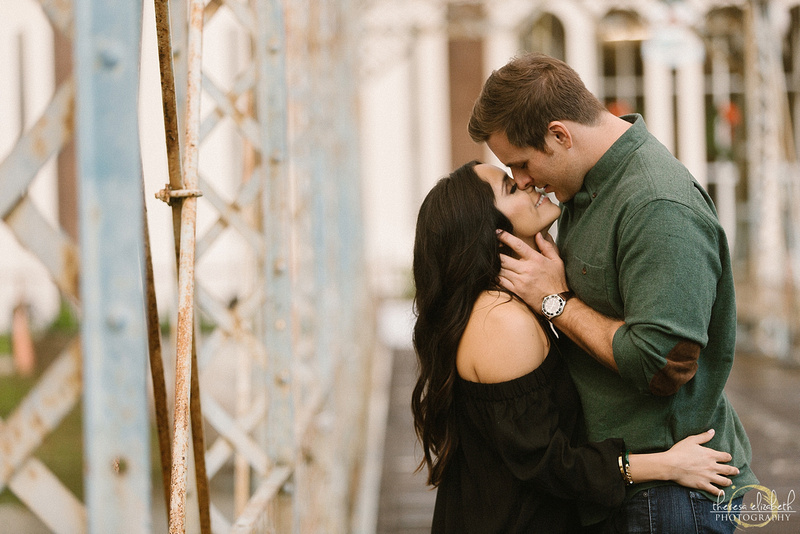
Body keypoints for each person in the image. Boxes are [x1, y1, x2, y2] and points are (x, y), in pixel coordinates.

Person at [467, 52, 757, 533]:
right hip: (626, 490)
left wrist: (555, 302)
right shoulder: (583, 184)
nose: (521, 180)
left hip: (668, 499)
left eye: (520, 163)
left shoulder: (656, 204)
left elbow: (664, 363)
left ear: (560, 135)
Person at [411, 160, 739, 533]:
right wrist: (667, 464)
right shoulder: (499, 321)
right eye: (510, 187)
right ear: (486, 231)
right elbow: (548, 462)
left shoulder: (505, 306)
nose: (526, 183)